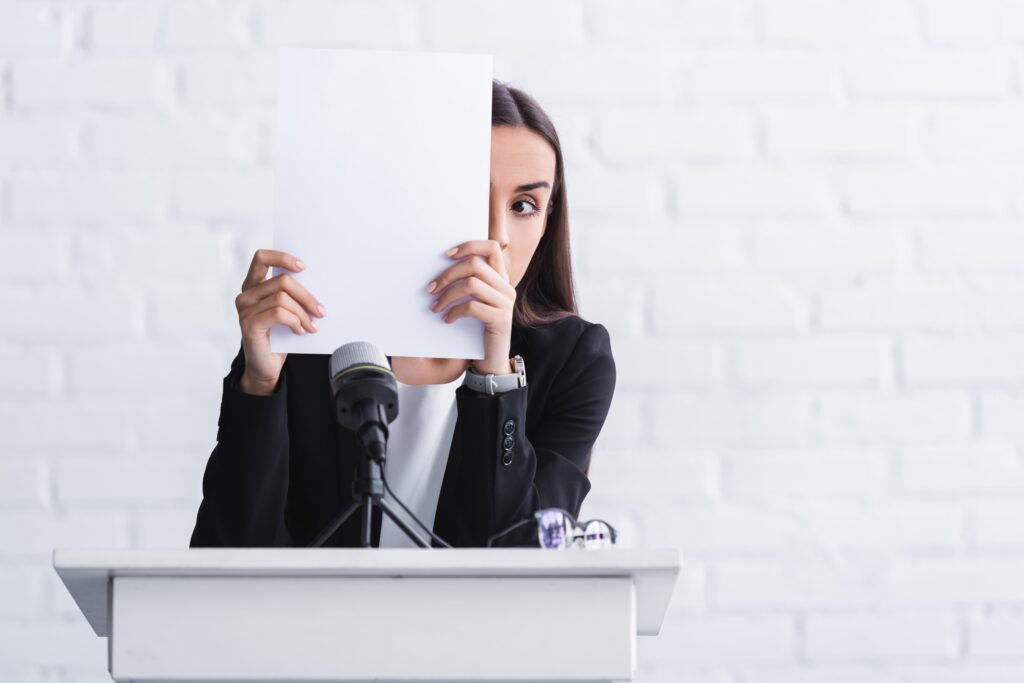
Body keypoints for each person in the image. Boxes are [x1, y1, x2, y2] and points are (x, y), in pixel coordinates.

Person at [189, 80, 617, 548]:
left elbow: (520, 558)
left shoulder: (577, 360)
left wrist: (495, 374)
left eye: (524, 206)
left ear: (548, 219)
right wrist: (259, 386)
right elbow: (227, 552)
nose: (497, 236)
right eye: (470, 198)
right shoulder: (311, 335)